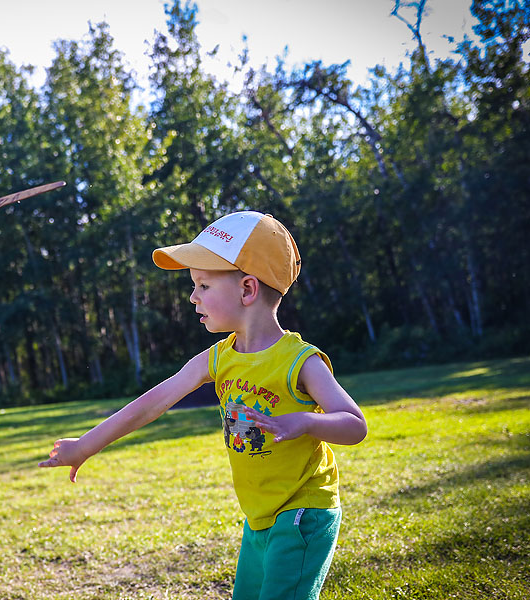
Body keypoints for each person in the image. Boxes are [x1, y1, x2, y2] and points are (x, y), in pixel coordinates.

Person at [38, 211, 368, 600]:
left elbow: (354, 424)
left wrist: (305, 422)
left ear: (248, 289)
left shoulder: (300, 361)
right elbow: (152, 402)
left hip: (303, 512)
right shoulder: (218, 358)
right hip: (260, 514)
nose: (192, 296)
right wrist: (85, 446)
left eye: (203, 285)